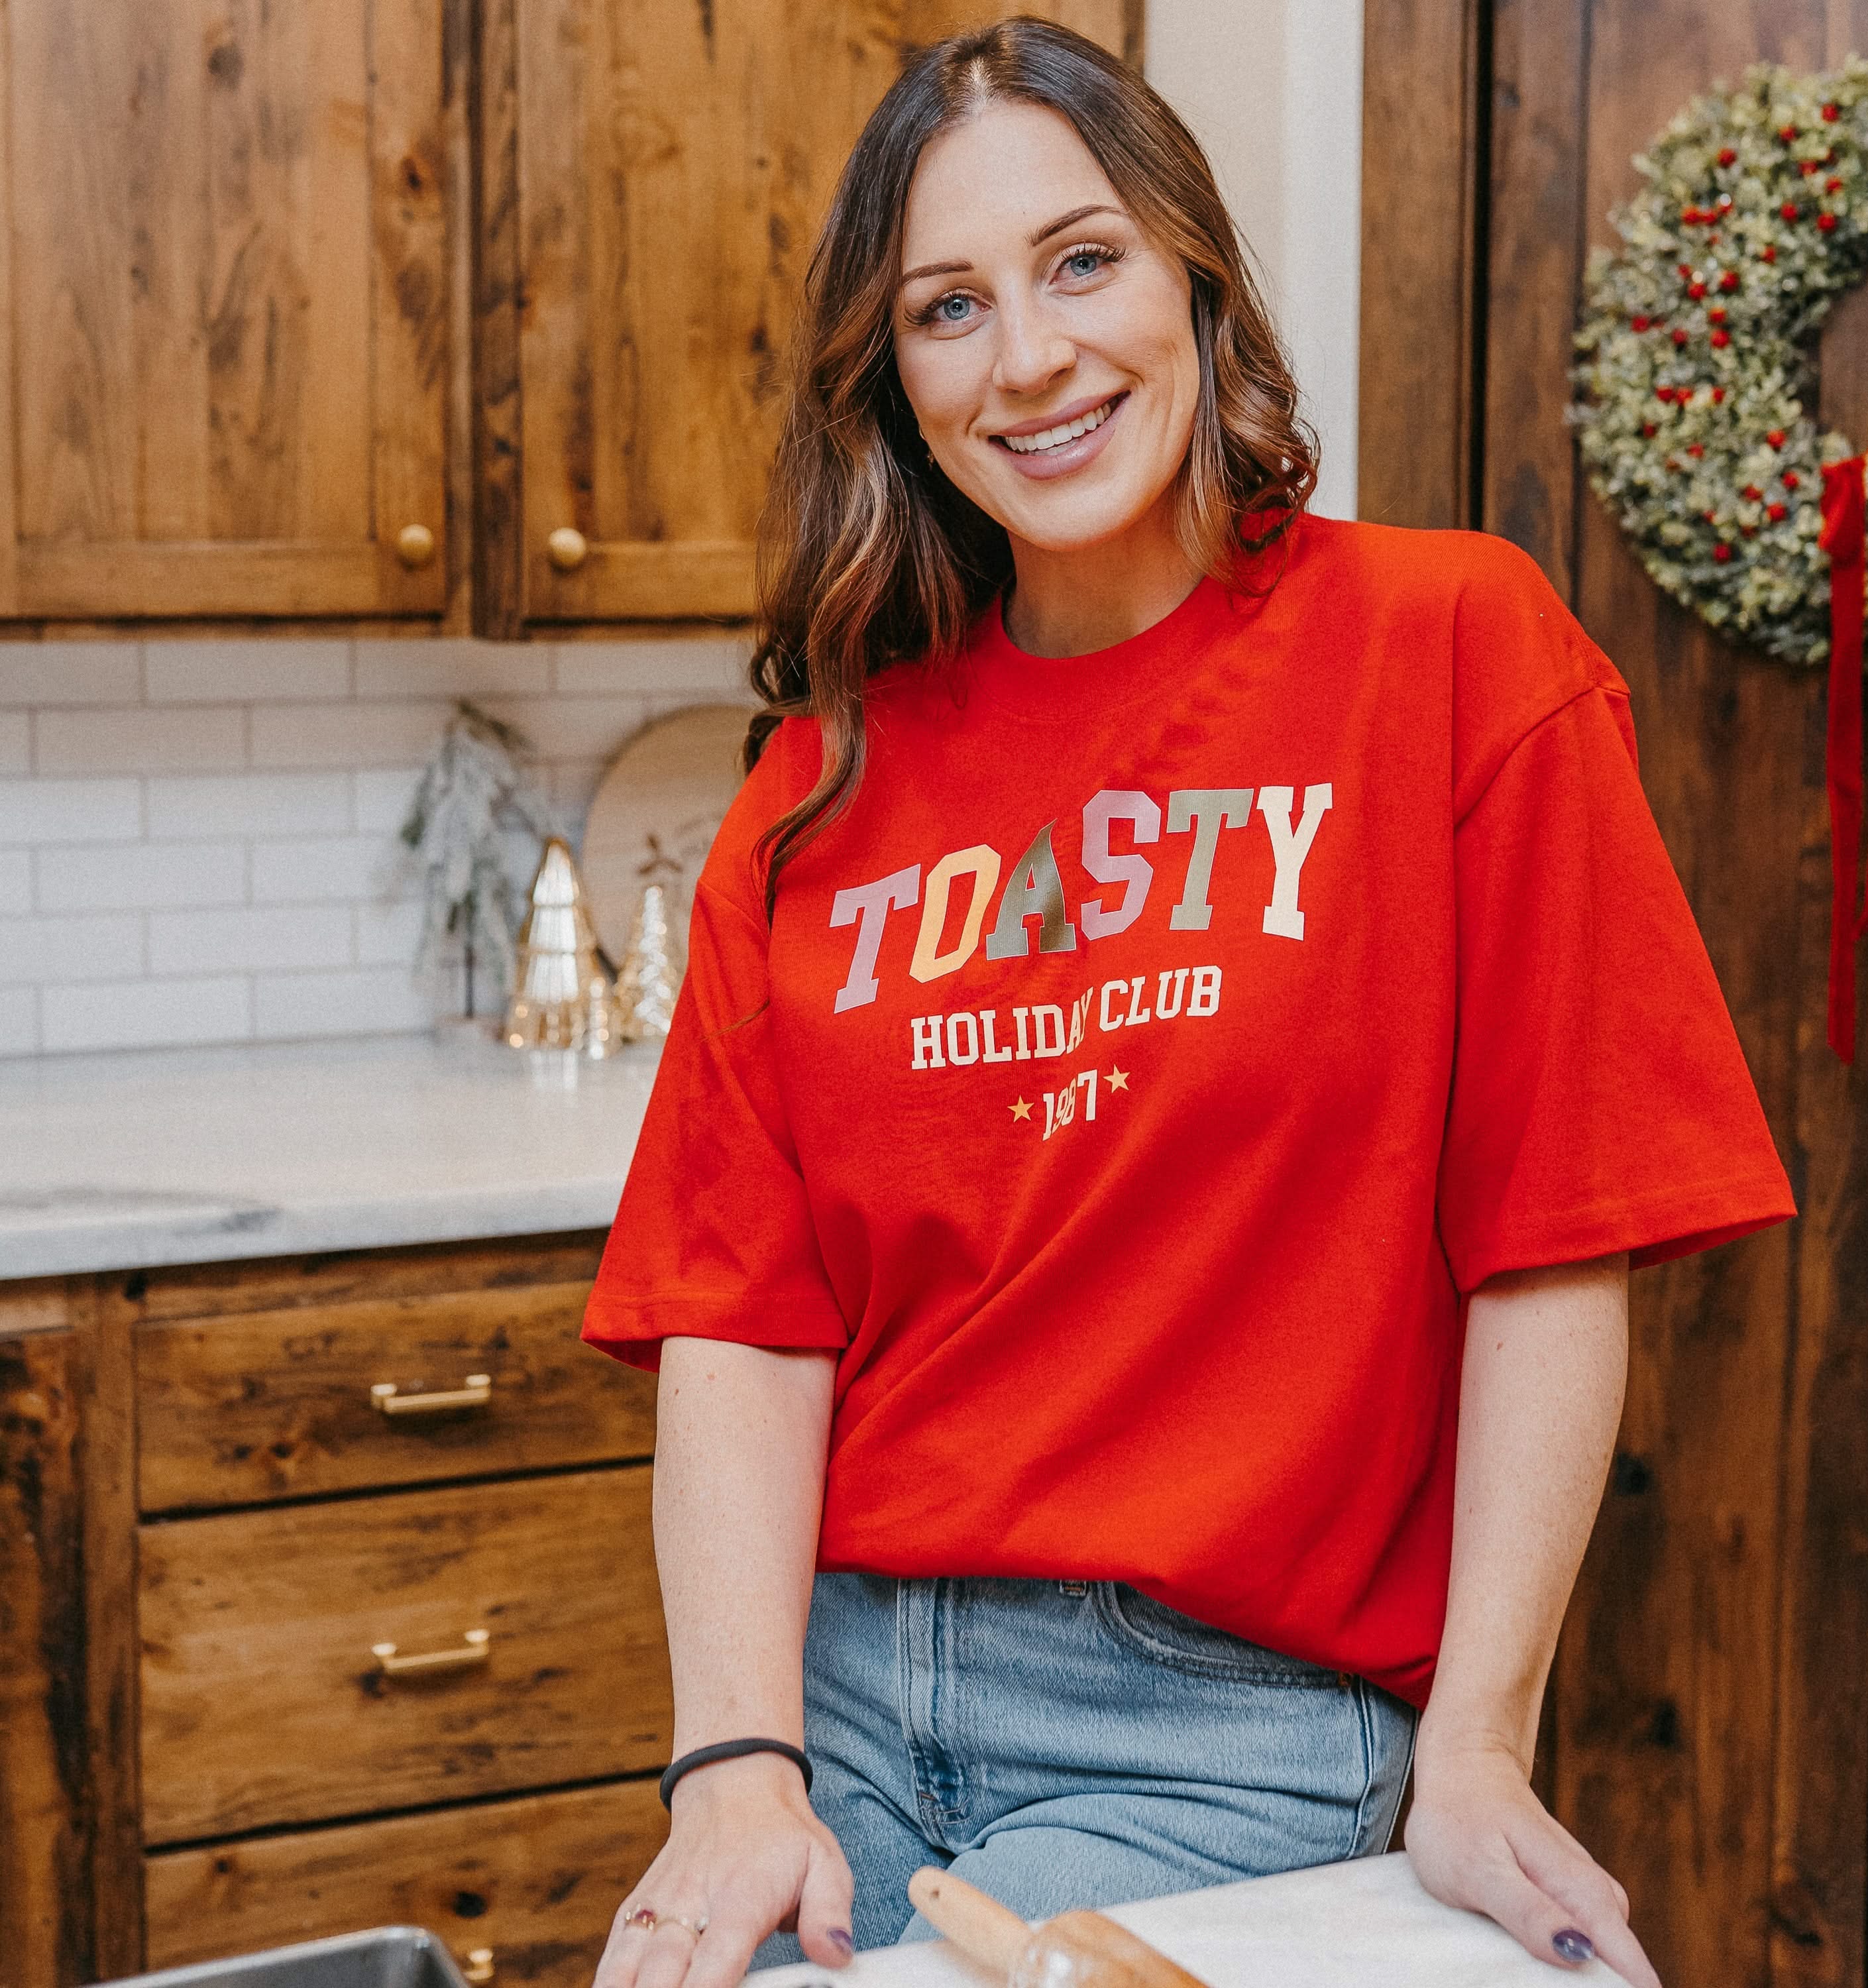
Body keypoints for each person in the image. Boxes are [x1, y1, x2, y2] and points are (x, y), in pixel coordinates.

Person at [581, 18, 1794, 1988]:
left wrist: (1478, 1744)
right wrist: (733, 1766)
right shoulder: (815, 795)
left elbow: (1554, 1247)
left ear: (1193, 274)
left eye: (1082, 262)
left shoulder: (1453, 654)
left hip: (1225, 1726)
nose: (1030, 358)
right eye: (946, 306)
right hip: (842, 1711)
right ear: (893, 381)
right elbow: (740, 1321)